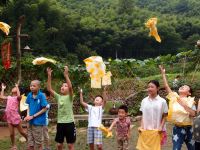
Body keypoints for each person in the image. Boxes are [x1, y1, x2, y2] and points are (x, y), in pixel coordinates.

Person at [159, 65, 196, 150]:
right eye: (182, 85)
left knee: (192, 148)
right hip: (177, 128)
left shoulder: (191, 100)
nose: (182, 86)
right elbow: (166, 86)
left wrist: (184, 105)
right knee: (176, 148)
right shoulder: (174, 97)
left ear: (189, 93)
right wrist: (163, 74)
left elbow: (193, 114)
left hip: (189, 128)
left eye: (186, 87)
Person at [47, 66, 76, 150]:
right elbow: (49, 89)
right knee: (59, 145)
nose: (63, 87)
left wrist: (66, 75)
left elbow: (70, 88)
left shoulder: (70, 97)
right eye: (62, 86)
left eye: (65, 86)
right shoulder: (58, 97)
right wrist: (49, 76)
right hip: (60, 123)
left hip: (70, 123)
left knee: (70, 145)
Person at [136, 80, 168, 150]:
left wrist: (161, 127)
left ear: (158, 88)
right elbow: (143, 115)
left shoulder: (162, 101)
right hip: (145, 130)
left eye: (152, 87)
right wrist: (141, 126)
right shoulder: (144, 101)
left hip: (157, 131)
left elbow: (165, 116)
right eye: (148, 87)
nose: (149, 89)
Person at [0, 83, 27, 150]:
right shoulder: (9, 97)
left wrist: (17, 87)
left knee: (22, 132)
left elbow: (19, 95)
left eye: (15, 88)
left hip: (15, 117)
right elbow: (1, 96)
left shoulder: (18, 98)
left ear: (18, 90)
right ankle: (13, 146)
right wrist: (3, 89)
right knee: (11, 134)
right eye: (14, 87)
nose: (14, 87)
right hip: (9, 117)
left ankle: (29, 140)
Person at [24, 80, 48, 150]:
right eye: (31, 85)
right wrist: (28, 116)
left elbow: (45, 109)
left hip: (38, 122)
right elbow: (28, 106)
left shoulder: (41, 96)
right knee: (30, 142)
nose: (31, 87)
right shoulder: (29, 95)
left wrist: (33, 116)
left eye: (34, 86)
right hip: (30, 122)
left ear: (39, 87)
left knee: (38, 143)